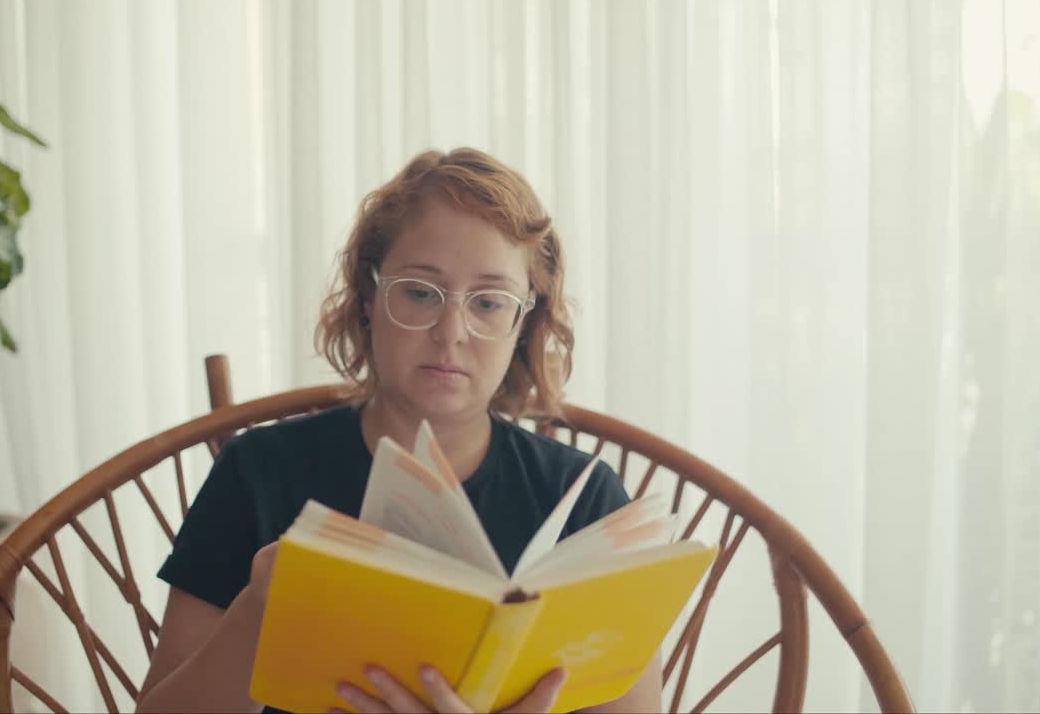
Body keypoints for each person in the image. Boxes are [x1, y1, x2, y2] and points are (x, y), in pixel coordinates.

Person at [135, 148, 663, 713]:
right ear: (369, 297)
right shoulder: (258, 473)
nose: (451, 331)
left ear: (523, 323)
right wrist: (259, 610)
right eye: (420, 292)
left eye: (488, 302)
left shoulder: (587, 501)